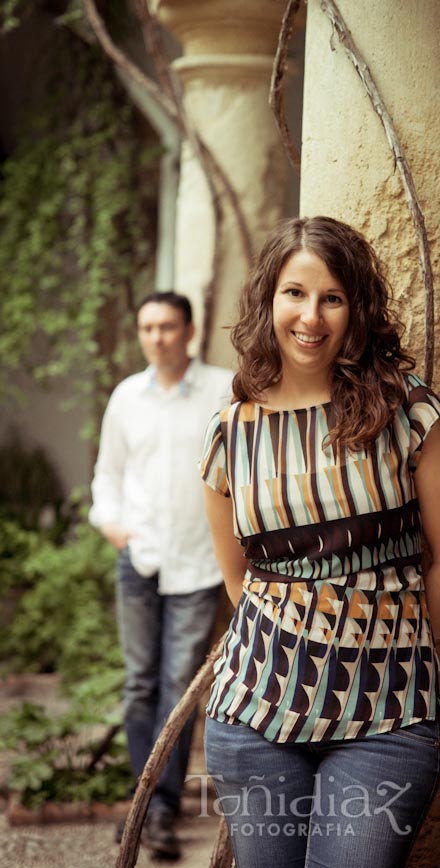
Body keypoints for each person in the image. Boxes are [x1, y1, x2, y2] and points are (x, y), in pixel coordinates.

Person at [199, 216, 440, 868]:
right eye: (294, 293)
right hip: (254, 714)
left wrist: (382, 649)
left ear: (357, 309)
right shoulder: (230, 433)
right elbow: (240, 582)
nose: (310, 317)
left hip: (385, 719)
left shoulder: (407, 413)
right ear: (268, 300)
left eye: (331, 298)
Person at [90, 291, 232, 860]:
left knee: (179, 687)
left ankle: (163, 811)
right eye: (148, 327)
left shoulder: (222, 390)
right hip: (140, 559)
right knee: (139, 684)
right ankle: (140, 801)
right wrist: (113, 525)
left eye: (167, 327)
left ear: (189, 331)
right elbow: (108, 473)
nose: (157, 337)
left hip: (199, 563)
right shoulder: (127, 397)